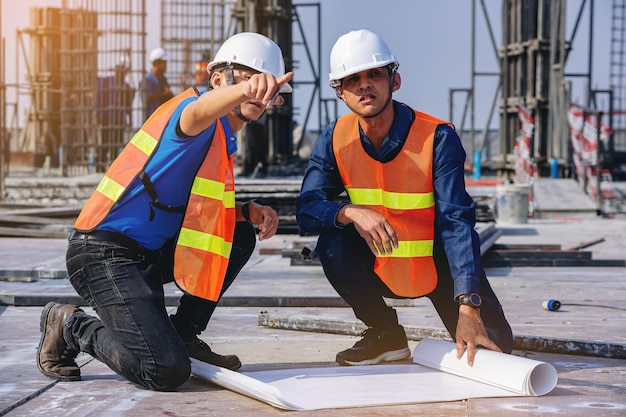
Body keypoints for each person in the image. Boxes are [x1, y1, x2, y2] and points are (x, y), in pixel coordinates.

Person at [36, 32, 293, 391]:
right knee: (164, 370)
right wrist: (246, 89)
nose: (257, 90)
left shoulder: (223, 137)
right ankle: (69, 326)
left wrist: (246, 211)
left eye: (261, 81)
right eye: (247, 77)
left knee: (238, 236)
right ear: (218, 80)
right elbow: (200, 110)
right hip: (103, 254)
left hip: (146, 254)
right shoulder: (191, 115)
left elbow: (194, 209)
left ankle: (184, 334)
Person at [296, 29, 513, 368]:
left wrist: (468, 305)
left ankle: (466, 316)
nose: (365, 84)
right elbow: (306, 209)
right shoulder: (334, 139)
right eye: (352, 79)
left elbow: (457, 221)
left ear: (394, 81)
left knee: (494, 353)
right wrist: (350, 211)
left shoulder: (437, 137)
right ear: (339, 92)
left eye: (374, 75)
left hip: (437, 264)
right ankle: (385, 334)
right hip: (380, 261)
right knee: (331, 243)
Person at [95, 54, 135, 167]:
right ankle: (100, 166)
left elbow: (128, 106)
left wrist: (130, 118)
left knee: (116, 145)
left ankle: (113, 169)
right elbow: (98, 99)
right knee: (104, 143)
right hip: (106, 118)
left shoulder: (126, 86)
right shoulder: (105, 82)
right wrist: (97, 115)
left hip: (119, 120)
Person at [144, 47, 175, 120]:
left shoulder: (162, 78)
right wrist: (164, 94)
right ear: (156, 63)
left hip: (162, 117)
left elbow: (169, 94)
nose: (166, 65)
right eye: (164, 62)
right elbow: (146, 97)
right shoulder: (148, 78)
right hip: (151, 118)